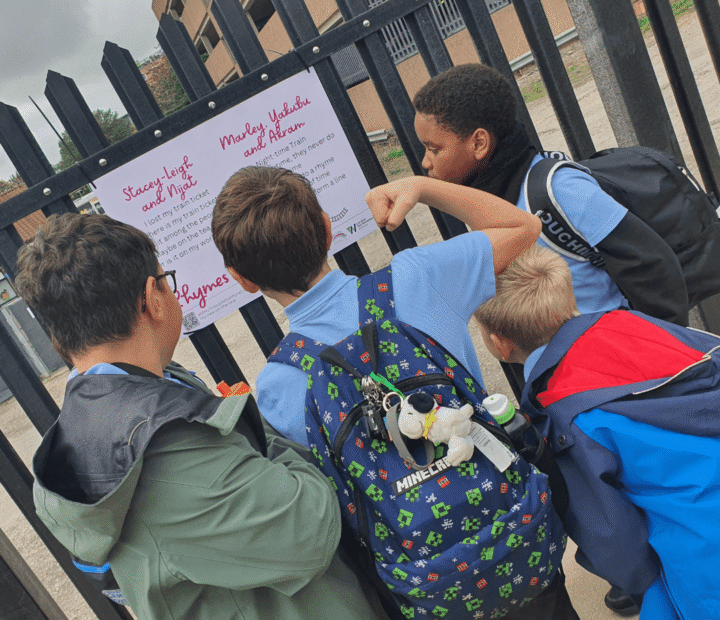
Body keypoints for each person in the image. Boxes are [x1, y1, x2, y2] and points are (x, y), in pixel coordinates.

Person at [211, 166, 581, 620]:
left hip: (429, 580)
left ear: (241, 279)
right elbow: (523, 226)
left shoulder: (278, 384)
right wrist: (422, 186)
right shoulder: (416, 276)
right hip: (513, 529)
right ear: (328, 230)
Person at [19, 213, 388, 620]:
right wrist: (260, 426)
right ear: (152, 298)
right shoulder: (164, 446)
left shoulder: (97, 415)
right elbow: (311, 527)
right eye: (166, 280)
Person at [473, 244, 720, 620]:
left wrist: (640, 585)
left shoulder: (560, 414)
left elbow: (611, 537)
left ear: (499, 344)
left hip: (703, 554)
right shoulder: (638, 324)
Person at [412, 63, 686, 327]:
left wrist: (665, 358)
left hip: (616, 355)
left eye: (434, 149)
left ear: (479, 143)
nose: (426, 162)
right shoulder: (486, 202)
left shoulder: (559, 190)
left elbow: (654, 265)